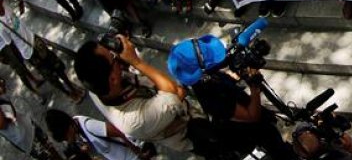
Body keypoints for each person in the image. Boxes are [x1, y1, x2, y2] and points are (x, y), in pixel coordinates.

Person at [72, 36, 209, 154]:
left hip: (174, 109)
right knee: (212, 144)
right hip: (187, 132)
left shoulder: (96, 86)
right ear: (112, 79)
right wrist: (135, 61)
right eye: (113, 56)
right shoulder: (134, 121)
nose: (115, 53)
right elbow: (175, 91)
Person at [167, 36, 294, 159]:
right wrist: (255, 88)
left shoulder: (204, 79)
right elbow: (252, 116)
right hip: (252, 133)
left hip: (246, 114)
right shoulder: (211, 98)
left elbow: (224, 75)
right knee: (279, 149)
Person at [45, 109, 148, 160]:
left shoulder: (89, 126)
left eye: (65, 137)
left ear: (69, 128)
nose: (67, 141)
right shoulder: (77, 130)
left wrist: (138, 153)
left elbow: (118, 132)